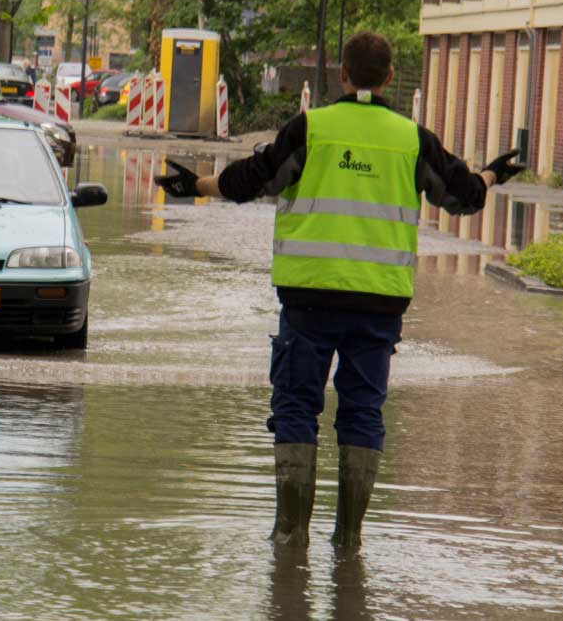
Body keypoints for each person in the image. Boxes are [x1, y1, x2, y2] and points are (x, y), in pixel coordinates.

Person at [155, 31, 524, 548]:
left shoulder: (312, 128)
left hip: (309, 301)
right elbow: (463, 194)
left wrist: (195, 185)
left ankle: (289, 537)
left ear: (342, 76)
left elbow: (253, 179)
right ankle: (349, 541)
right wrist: (492, 174)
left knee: (296, 406)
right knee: (363, 412)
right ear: (391, 77)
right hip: (379, 306)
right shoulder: (412, 139)